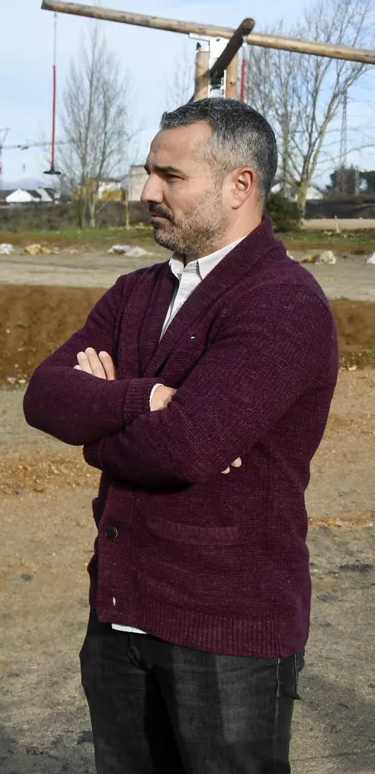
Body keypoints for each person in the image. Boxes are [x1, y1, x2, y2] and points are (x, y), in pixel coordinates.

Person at [24, 98, 337, 773]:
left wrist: (99, 427)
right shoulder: (135, 292)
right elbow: (44, 396)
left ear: (239, 186)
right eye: (148, 172)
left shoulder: (282, 302)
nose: (147, 192)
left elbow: (184, 448)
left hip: (228, 629)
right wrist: (144, 398)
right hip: (119, 612)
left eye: (170, 176)